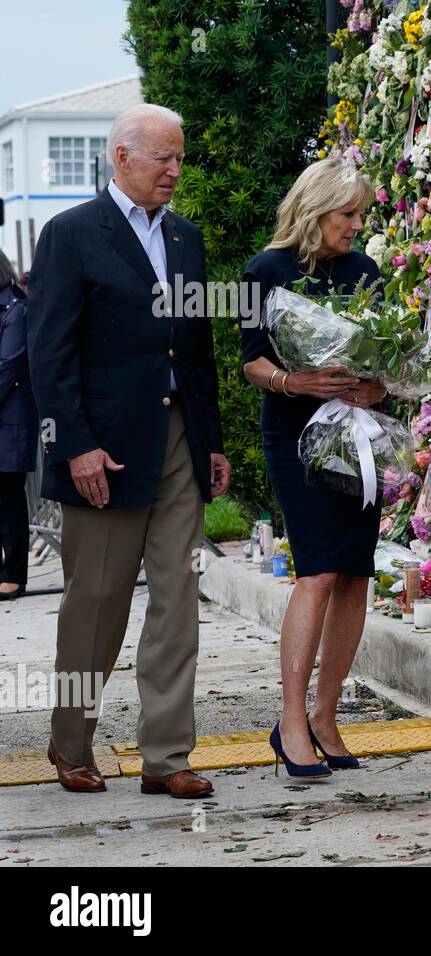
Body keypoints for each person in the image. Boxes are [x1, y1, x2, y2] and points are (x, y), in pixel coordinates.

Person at [26, 103, 228, 797]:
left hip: (177, 441)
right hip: (101, 449)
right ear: (121, 157)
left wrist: (212, 441)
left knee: (177, 597)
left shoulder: (185, 238)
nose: (175, 170)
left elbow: (196, 351)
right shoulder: (70, 235)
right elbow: (47, 354)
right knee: (98, 603)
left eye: (179, 158)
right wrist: (74, 445)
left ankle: (167, 757)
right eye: (162, 158)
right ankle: (71, 742)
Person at [240, 158, 386, 778]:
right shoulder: (264, 271)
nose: (357, 226)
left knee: (354, 574)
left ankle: (326, 717)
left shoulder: (366, 271)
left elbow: (387, 359)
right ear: (315, 209)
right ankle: (291, 721)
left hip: (357, 437)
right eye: (348, 215)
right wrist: (295, 380)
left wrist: (377, 390)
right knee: (318, 572)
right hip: (295, 437)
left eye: (360, 215)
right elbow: (250, 362)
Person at [0, 249, 36, 599]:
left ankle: (13, 574)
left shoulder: (15, 309)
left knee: (9, 501)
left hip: (9, 424)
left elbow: (8, 367)